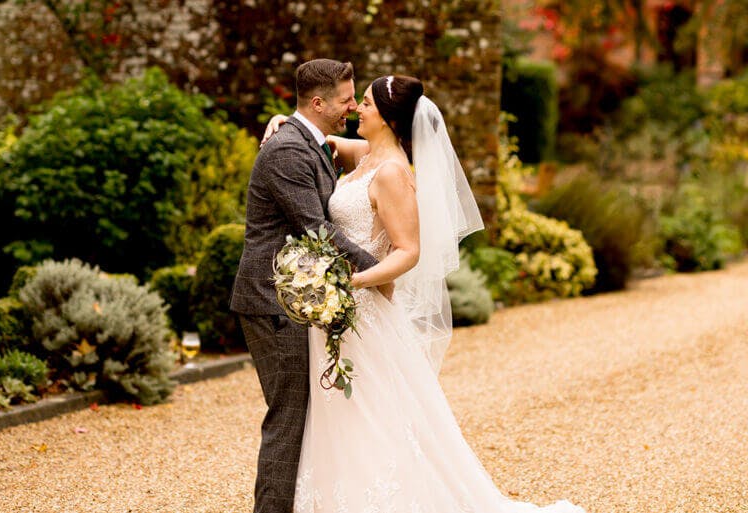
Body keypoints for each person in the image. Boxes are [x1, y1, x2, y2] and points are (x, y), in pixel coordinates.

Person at [263, 75, 587, 513]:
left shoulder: (394, 173)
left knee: (371, 416)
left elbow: (409, 252)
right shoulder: (368, 154)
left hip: (360, 309)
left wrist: (352, 282)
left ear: (390, 119)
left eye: (367, 104)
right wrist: (285, 121)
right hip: (335, 311)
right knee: (339, 414)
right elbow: (326, 142)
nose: (358, 108)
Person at [229, 59, 385, 513]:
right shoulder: (287, 152)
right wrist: (381, 270)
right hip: (273, 302)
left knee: (304, 414)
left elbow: (382, 150)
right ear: (318, 103)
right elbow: (316, 228)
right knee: (289, 417)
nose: (353, 107)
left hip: (295, 299)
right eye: (345, 100)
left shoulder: (309, 140)